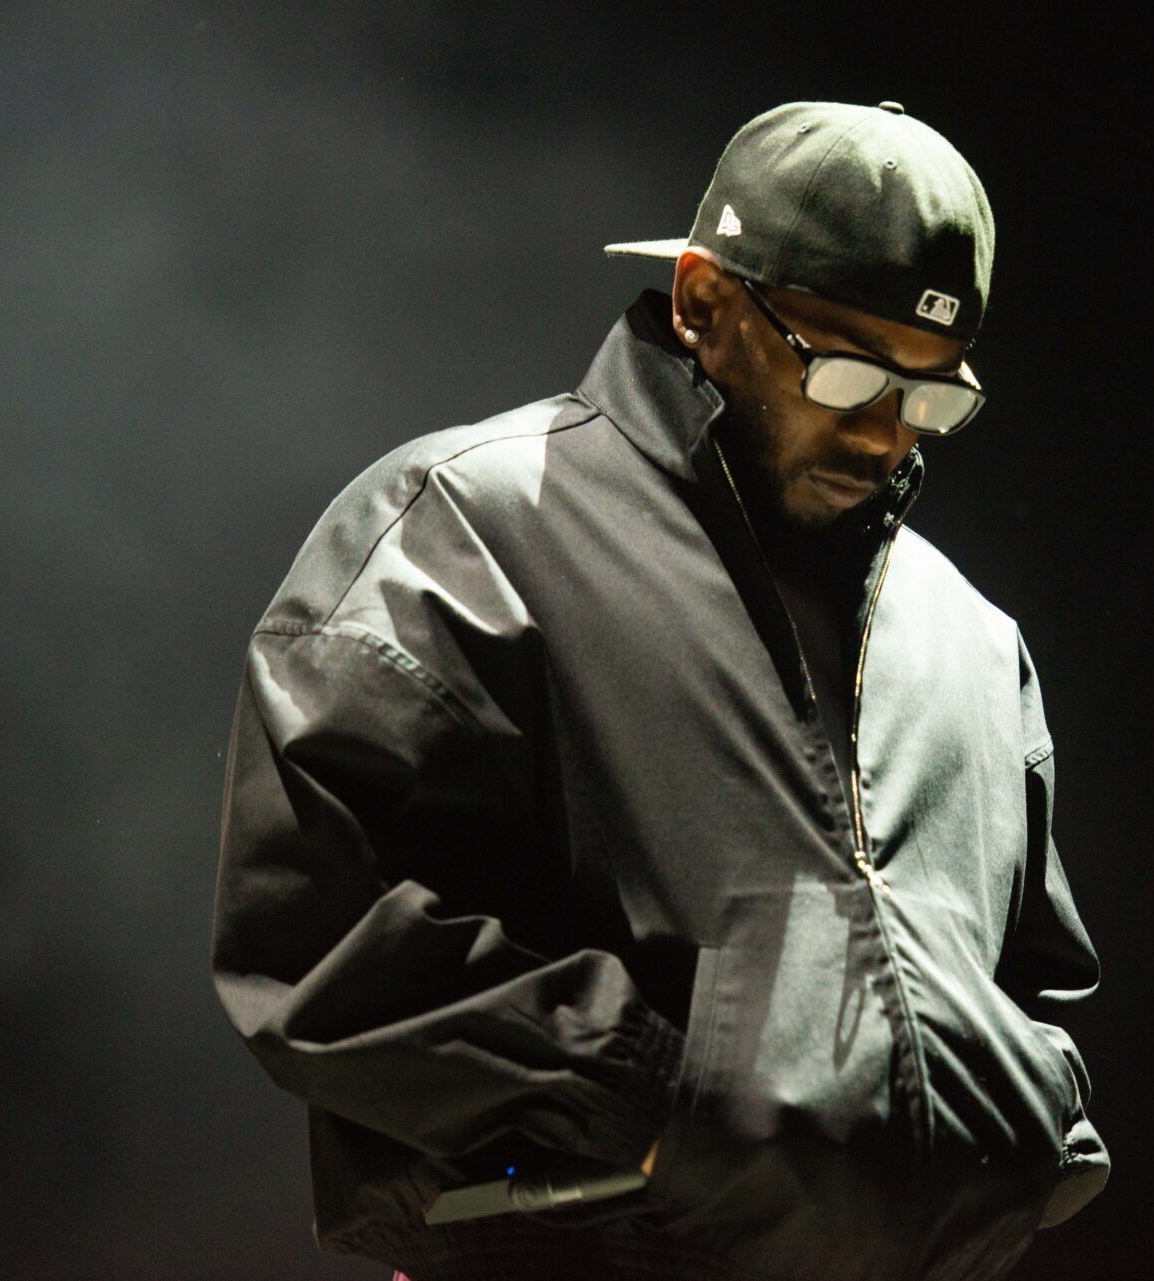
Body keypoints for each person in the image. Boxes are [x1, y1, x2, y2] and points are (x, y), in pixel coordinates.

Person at [211, 100, 1107, 1281]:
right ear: (703, 305)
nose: (890, 436)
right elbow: (316, 940)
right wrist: (659, 1104)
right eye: (846, 374)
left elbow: (1028, 990)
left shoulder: (975, 642)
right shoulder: (466, 529)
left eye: (936, 393)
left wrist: (1027, 1126)